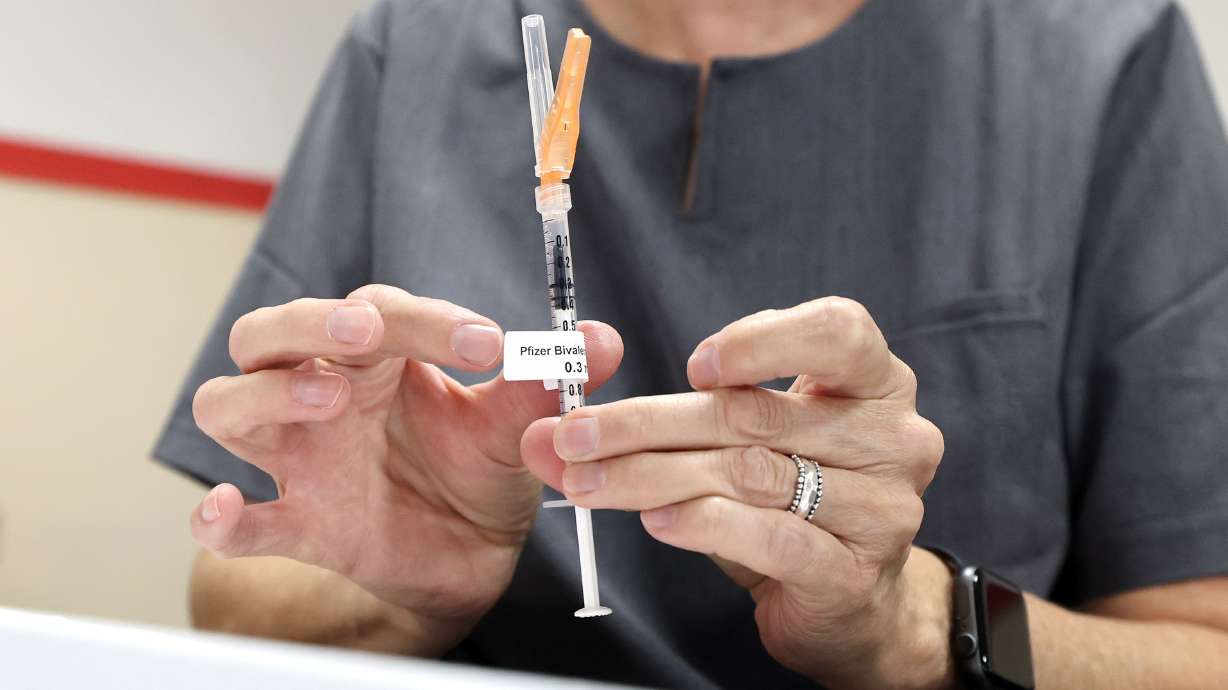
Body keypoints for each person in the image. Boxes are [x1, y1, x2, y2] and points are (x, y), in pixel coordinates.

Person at [154, 0, 1228, 687]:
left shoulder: (1095, 54)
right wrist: (405, 588)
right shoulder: (424, 39)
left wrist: (909, 627)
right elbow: (236, 590)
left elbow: (1203, 650)